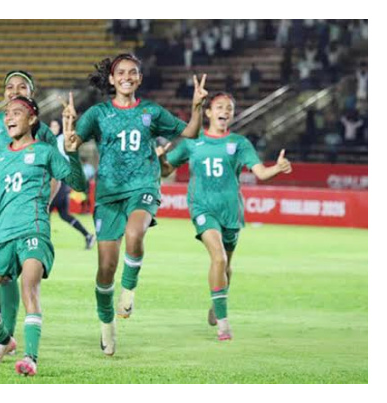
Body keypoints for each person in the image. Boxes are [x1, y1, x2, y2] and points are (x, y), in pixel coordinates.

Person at [64, 53, 208, 356]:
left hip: (143, 186)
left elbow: (190, 132)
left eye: (133, 72)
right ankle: (107, 324)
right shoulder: (98, 113)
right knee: (105, 268)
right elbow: (73, 143)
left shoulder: (151, 112)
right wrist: (69, 133)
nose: (127, 77)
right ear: (112, 79)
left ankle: (129, 289)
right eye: (121, 72)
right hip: (108, 195)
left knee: (134, 233)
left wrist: (197, 106)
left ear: (139, 79)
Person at [0, 96, 87, 376]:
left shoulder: (45, 152)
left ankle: (30, 358)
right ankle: (4, 340)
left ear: (32, 119)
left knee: (29, 288)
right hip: (2, 236)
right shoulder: (0, 156)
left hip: (33, 231)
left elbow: (78, 183)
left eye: (17, 113)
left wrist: (72, 153)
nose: (9, 117)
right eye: (7, 113)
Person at [158, 92, 291, 341]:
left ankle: (216, 301)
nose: (225, 111)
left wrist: (278, 168)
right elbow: (166, 171)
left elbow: (261, 173)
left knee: (226, 266)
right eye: (220, 107)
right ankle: (223, 324)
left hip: (230, 212)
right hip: (202, 208)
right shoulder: (192, 142)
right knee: (218, 258)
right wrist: (161, 158)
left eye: (229, 108)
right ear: (208, 113)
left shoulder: (239, 143)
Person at [0, 70, 58, 345]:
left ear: (32, 93)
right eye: (10, 87)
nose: (15, 90)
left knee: (6, 277)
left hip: (19, 212)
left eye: (22, 87)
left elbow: (55, 174)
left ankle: (6, 335)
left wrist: (43, 204)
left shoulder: (42, 133)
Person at [48, 119, 96, 250]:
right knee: (64, 215)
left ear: (59, 127)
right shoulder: (49, 140)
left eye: (55, 126)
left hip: (60, 180)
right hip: (56, 180)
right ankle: (88, 235)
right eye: (51, 126)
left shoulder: (61, 139)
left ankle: (41, 241)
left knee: (46, 211)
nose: (53, 128)